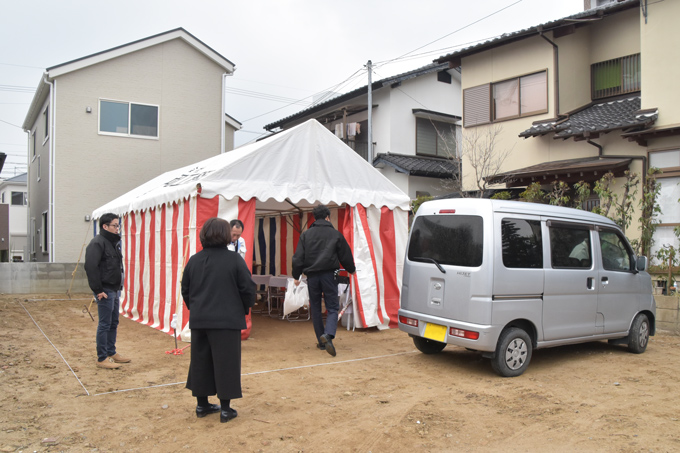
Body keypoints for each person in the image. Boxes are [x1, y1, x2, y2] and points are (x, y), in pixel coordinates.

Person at [181, 217, 256, 423]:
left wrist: (196, 308)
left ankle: (202, 405)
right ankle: (225, 409)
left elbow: (185, 289)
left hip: (200, 319)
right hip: (227, 320)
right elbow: (248, 289)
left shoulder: (194, 260)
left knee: (200, 362)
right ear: (224, 235)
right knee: (226, 363)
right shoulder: (234, 260)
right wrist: (243, 308)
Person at [292, 205, 355, 357]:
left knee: (315, 307)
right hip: (329, 275)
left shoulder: (306, 235)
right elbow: (345, 254)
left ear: (314, 217)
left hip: (312, 276)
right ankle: (328, 334)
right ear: (328, 217)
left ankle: (321, 342)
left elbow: (298, 257)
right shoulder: (335, 234)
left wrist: (296, 275)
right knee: (332, 307)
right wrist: (351, 269)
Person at [84, 213, 130, 370]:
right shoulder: (97, 243)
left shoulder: (112, 243)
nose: (118, 228)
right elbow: (91, 267)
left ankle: (111, 352)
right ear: (105, 226)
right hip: (105, 290)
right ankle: (102, 357)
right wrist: (98, 290)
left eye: (118, 225)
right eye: (115, 225)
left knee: (113, 322)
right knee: (104, 324)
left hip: (114, 289)